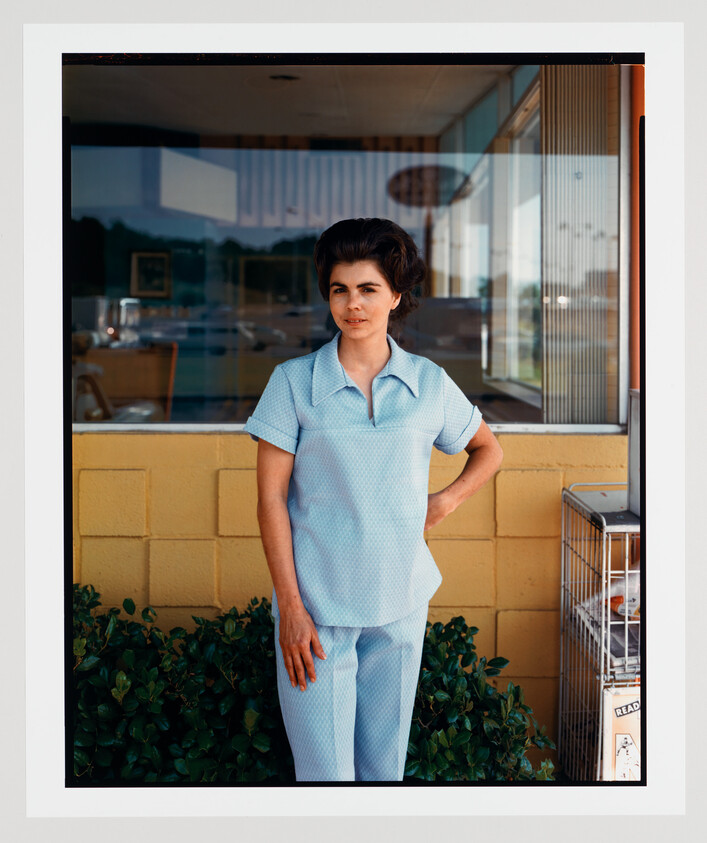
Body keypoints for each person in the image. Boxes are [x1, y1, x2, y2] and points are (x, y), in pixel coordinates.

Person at [244, 217, 503, 782]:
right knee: (325, 777)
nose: (352, 304)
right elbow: (270, 502)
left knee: (384, 775)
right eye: (339, 289)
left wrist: (444, 502)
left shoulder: (429, 383)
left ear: (396, 296)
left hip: (401, 604)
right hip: (316, 612)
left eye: (368, 289)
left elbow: (488, 450)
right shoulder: (293, 382)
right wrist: (291, 608)